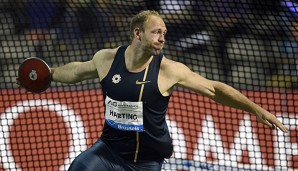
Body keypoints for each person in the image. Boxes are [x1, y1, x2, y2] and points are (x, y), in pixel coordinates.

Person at [50, 10, 288, 171]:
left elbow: (215, 90)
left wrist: (255, 109)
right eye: (156, 32)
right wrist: (49, 73)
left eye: (164, 33)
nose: (162, 38)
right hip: (108, 152)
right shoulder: (106, 59)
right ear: (137, 33)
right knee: (78, 167)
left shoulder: (169, 70)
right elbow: (76, 72)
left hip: (147, 162)